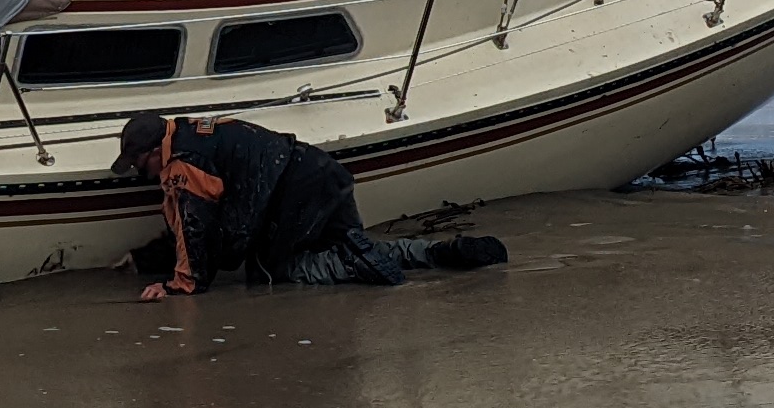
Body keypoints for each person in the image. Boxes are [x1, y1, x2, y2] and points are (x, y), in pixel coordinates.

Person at [113, 110, 510, 298]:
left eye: (140, 164)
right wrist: (145, 258)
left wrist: (179, 285)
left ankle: (354, 261)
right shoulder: (189, 131)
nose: (141, 173)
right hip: (319, 173)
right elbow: (194, 223)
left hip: (292, 199)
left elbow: (194, 227)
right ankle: (443, 253)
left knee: (279, 271)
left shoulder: (184, 163)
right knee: (358, 242)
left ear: (153, 151)